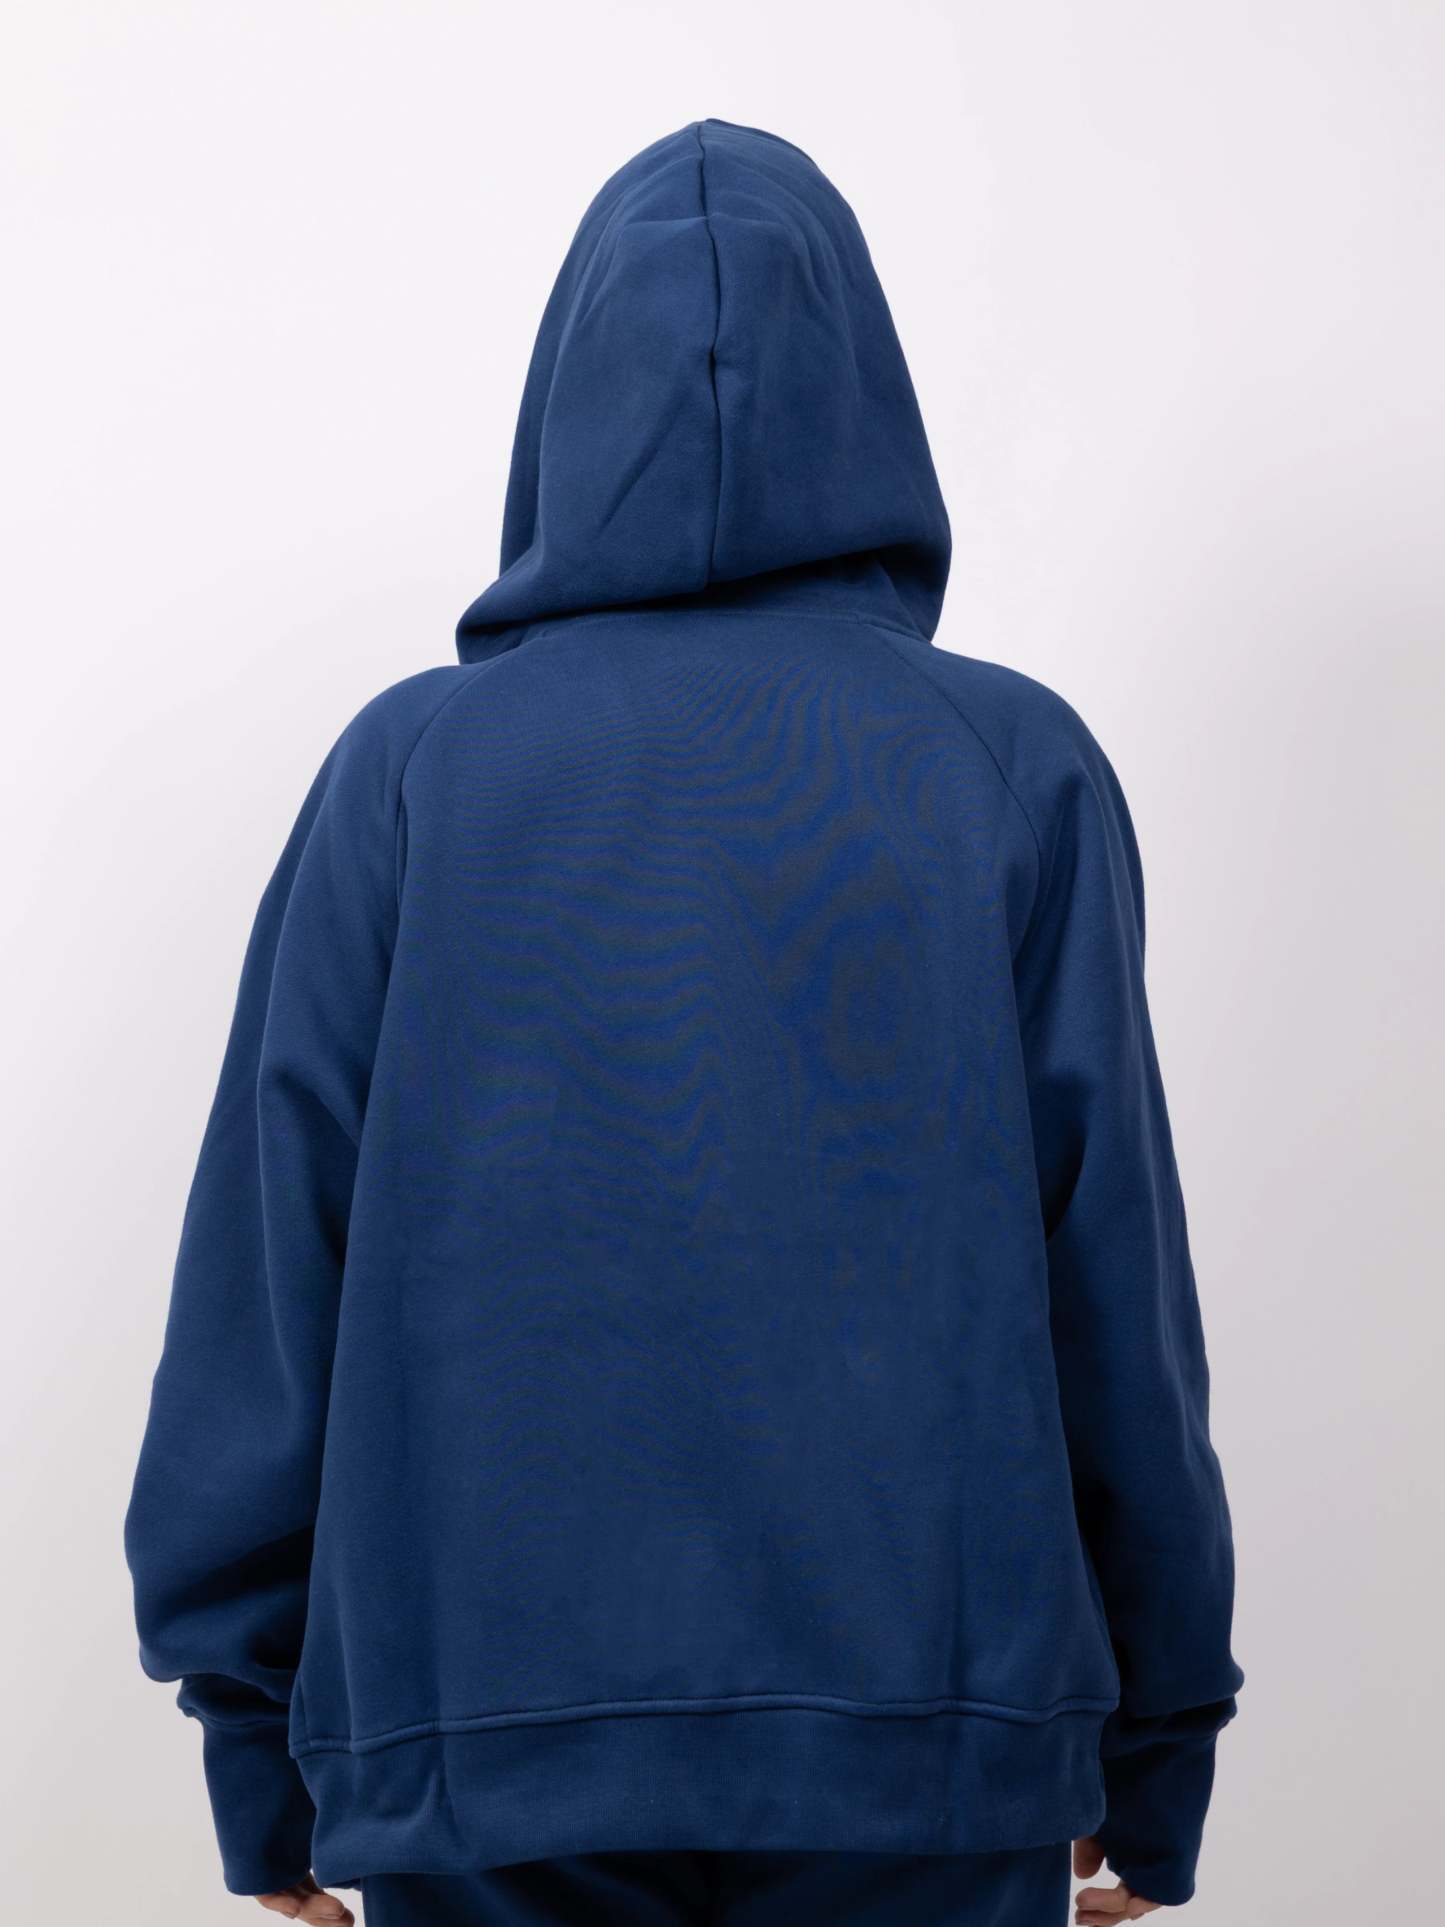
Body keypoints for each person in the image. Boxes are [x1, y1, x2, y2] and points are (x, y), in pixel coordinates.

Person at [125, 120, 1241, 1926]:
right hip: (929, 1756)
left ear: (562, 411)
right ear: (868, 400)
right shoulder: (1008, 766)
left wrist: (257, 1749)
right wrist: (1153, 1752)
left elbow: (269, 1282)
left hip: (476, 1752)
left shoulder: (410, 771)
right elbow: (1114, 1292)